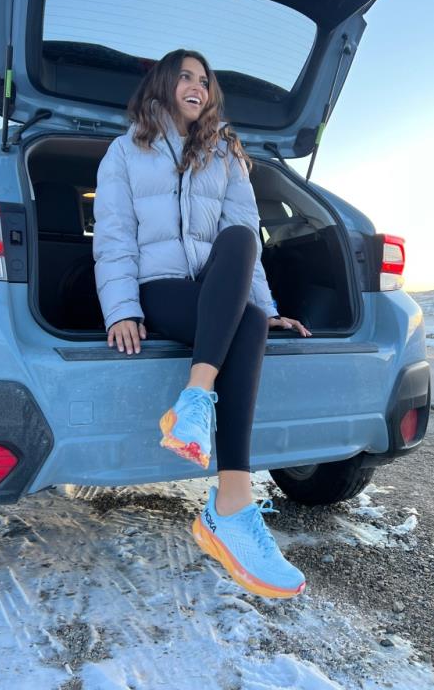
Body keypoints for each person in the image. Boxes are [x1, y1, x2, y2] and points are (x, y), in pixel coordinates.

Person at [93, 49, 312, 599]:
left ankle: (211, 441)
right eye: (185, 77)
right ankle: (226, 505)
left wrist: (266, 304)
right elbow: (114, 235)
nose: (197, 86)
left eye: (204, 80)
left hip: (218, 294)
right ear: (164, 86)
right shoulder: (125, 152)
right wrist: (122, 309)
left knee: (243, 255)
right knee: (246, 325)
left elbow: (247, 247)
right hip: (160, 289)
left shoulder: (226, 155)